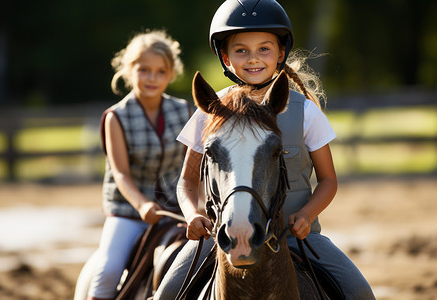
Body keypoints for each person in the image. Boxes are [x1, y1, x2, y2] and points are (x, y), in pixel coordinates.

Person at [154, 1, 375, 299]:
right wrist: (192, 213)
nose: (253, 58)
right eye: (241, 50)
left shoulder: (306, 112)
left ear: (281, 53)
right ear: (226, 57)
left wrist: (307, 215)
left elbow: (328, 180)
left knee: (359, 293)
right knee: (167, 292)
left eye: (264, 49)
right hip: (224, 233)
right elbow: (187, 181)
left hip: (296, 237)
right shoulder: (210, 112)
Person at [77, 29, 191, 300]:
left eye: (160, 71)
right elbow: (120, 172)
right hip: (129, 211)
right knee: (108, 271)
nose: (152, 78)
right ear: (129, 71)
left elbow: (193, 165)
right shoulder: (115, 117)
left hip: (177, 210)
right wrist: (142, 205)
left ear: (171, 74)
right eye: (144, 70)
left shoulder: (185, 111)